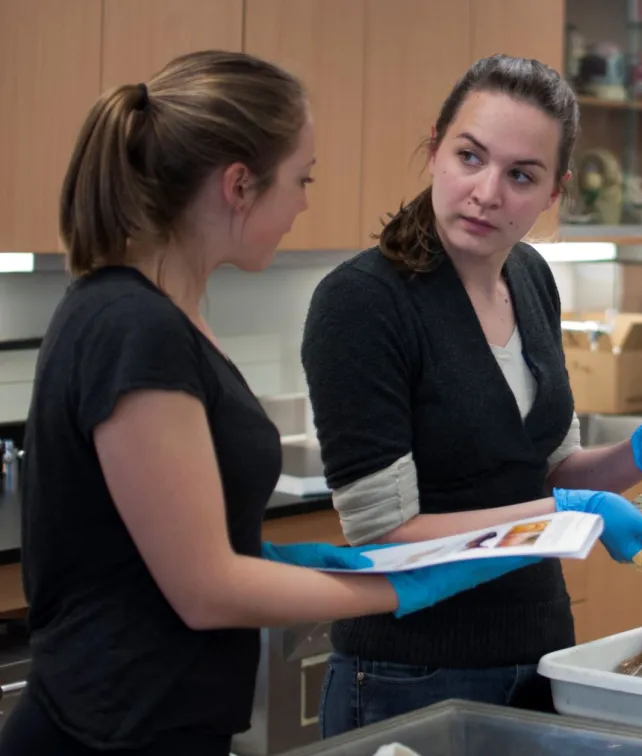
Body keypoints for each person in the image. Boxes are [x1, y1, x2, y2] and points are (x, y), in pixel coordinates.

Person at [0, 50, 536, 756]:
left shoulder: (162, 312)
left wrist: (289, 560)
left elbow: (175, 544)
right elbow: (206, 590)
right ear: (238, 186)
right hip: (109, 731)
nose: (305, 202)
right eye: (301, 178)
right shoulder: (134, 327)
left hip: (160, 719)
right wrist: (405, 587)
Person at [300, 53, 642, 736]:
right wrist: (571, 514)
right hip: (410, 675)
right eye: (470, 157)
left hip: (541, 656)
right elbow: (385, 532)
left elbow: (547, 471)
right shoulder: (363, 303)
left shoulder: (531, 279)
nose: (488, 192)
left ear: (554, 192)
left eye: (521, 175)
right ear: (435, 150)